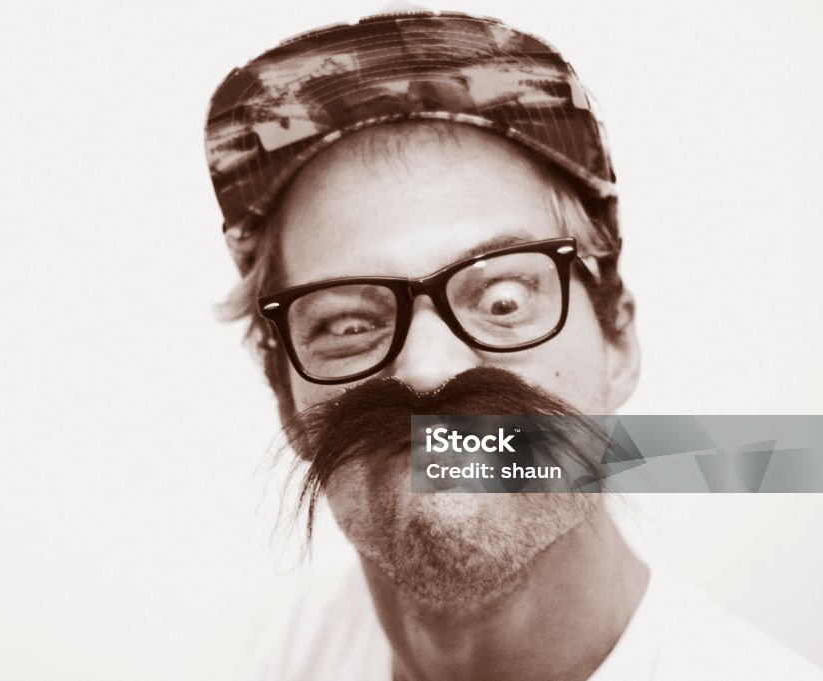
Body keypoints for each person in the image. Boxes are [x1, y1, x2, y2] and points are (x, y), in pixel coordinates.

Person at [203, 10, 823, 681]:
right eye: (350, 325)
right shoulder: (259, 660)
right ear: (287, 400)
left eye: (503, 300)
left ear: (619, 339)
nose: (427, 367)